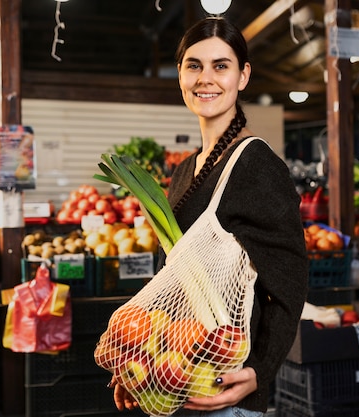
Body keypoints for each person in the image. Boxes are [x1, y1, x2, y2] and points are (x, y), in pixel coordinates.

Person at [112, 16, 309, 417]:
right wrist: (142, 368)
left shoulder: (258, 165)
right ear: (180, 75)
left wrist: (261, 370)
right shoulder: (185, 170)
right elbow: (179, 285)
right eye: (194, 65)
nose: (206, 78)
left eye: (221, 65)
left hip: (226, 394)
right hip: (179, 381)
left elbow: (289, 281)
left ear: (243, 76)